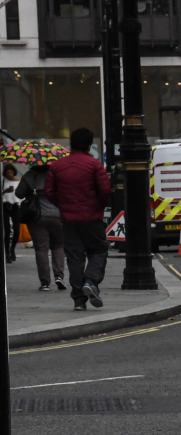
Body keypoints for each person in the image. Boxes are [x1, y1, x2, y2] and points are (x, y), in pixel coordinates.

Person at [45, 128, 111, 312]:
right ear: (89, 146)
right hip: (92, 218)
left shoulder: (57, 166)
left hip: (69, 220)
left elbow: (49, 191)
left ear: (71, 144)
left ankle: (79, 301)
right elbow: (105, 190)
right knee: (98, 250)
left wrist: (63, 205)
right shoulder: (94, 165)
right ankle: (91, 281)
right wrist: (98, 206)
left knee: (74, 257)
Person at [15, 163, 66, 292]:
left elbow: (19, 194)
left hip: (37, 216)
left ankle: (45, 282)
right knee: (58, 246)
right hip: (58, 215)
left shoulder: (30, 176)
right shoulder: (58, 175)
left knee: (41, 249)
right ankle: (59, 276)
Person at [2, 162, 20, 262]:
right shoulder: (3, 181)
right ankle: (7, 253)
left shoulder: (18, 181)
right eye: (8, 172)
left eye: (11, 172)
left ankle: (12, 249)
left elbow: (22, 194)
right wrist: (5, 191)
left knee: (17, 230)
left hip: (15, 207)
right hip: (5, 206)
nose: (10, 174)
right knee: (7, 230)